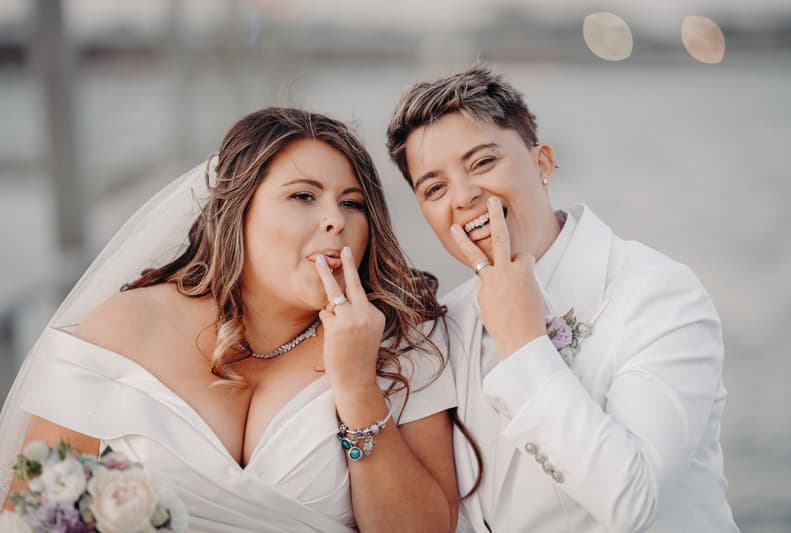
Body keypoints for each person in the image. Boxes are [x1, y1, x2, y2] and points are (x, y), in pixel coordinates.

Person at [0, 108, 459, 532]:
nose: (334, 221)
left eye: (352, 203)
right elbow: (31, 514)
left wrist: (359, 387)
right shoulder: (125, 328)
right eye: (303, 196)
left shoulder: (399, 338)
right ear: (238, 211)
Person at [386, 64, 739, 533]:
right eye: (435, 188)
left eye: (482, 163)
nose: (465, 196)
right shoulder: (445, 325)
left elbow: (634, 499)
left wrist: (524, 344)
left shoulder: (657, 293)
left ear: (542, 164)